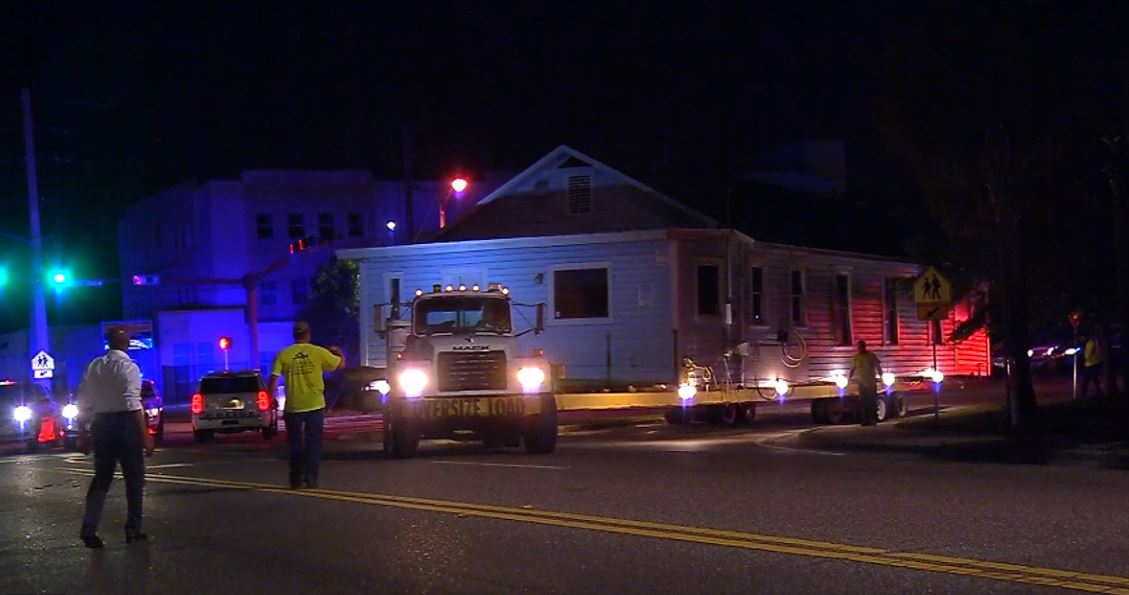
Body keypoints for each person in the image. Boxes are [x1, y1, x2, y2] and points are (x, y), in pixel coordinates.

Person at [78, 329, 155, 549]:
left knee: (101, 479)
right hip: (125, 425)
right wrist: (146, 436)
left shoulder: (95, 367)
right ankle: (133, 530)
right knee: (134, 480)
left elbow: (84, 401)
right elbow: (133, 405)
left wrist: (83, 432)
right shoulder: (129, 368)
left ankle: (89, 529)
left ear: (108, 343)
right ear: (127, 343)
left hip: (101, 424)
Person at [269, 321, 344, 489]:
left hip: (294, 406)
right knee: (313, 444)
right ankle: (311, 479)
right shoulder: (317, 352)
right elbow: (340, 365)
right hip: (315, 405)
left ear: (294, 335)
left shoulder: (284, 354)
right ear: (308, 334)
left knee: (295, 444)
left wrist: (271, 398)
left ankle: (295, 479)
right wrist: (338, 352)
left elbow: (274, 378)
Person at [848, 340, 884, 426]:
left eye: (860, 347)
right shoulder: (856, 358)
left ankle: (873, 420)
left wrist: (881, 377)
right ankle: (865, 420)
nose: (858, 349)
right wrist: (849, 378)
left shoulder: (871, 356)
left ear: (864, 347)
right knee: (863, 402)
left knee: (871, 402)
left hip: (871, 382)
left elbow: (878, 367)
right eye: (858, 347)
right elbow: (852, 369)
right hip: (862, 383)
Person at [1081, 331, 1104, 398]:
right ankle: (1099, 393)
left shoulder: (1090, 343)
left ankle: (1083, 395)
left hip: (1090, 364)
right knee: (1096, 380)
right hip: (1096, 363)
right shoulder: (1096, 342)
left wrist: (1087, 359)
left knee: (1086, 381)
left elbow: (1088, 354)